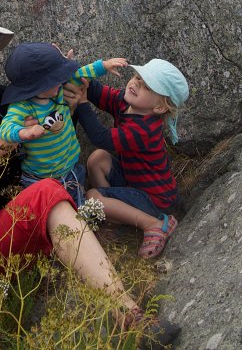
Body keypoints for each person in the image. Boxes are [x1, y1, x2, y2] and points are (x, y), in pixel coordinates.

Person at [0, 0, 180, 348]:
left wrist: (64, 79)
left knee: (50, 192)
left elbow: (60, 107)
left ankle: (131, 318)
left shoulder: (8, 100)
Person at [75, 59, 189, 259]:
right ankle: (115, 218)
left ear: (160, 108)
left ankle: (154, 224)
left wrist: (82, 104)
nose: (136, 84)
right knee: (97, 158)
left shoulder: (145, 129)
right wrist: (74, 71)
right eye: (138, 77)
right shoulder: (125, 102)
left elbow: (100, 137)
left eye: (147, 87)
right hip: (134, 185)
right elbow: (98, 92)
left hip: (155, 201)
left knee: (91, 197)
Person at [0, 42, 127, 206]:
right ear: (38, 85)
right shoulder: (22, 107)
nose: (61, 81)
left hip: (71, 168)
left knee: (78, 204)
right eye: (54, 79)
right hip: (40, 177)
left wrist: (103, 65)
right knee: (49, 211)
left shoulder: (57, 91)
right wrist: (23, 132)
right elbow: (5, 128)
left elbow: (81, 74)